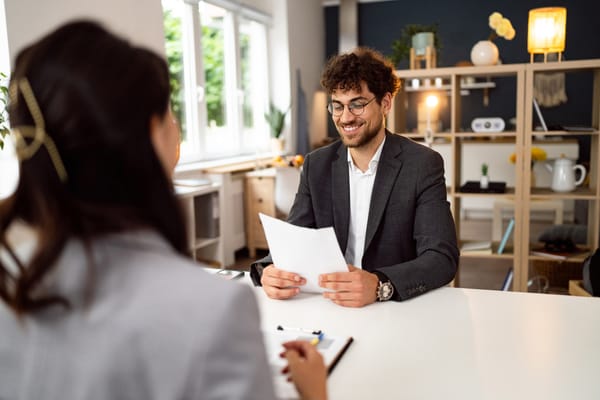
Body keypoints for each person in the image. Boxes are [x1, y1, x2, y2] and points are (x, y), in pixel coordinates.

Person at [0, 21, 327, 400]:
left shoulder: (14, 277)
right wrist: (313, 392)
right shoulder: (213, 311)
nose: (177, 130)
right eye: (169, 116)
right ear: (150, 137)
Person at [251, 47, 459, 307]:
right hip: (329, 304)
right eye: (337, 107)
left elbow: (441, 257)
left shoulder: (421, 164)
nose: (346, 117)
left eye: (357, 105)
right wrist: (268, 270)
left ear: (385, 103)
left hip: (395, 309)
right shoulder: (317, 165)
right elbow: (295, 238)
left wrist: (381, 285)